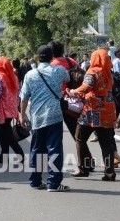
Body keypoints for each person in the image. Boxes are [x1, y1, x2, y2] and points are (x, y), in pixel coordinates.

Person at [19, 45, 70, 192]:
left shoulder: (30, 75)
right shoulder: (58, 70)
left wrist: (22, 116)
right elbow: (68, 77)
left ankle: (35, 181)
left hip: (37, 118)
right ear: (52, 56)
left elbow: (24, 98)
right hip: (54, 116)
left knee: (37, 149)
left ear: (37, 57)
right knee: (54, 150)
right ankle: (53, 183)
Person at [67, 48, 117, 181]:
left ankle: (83, 168)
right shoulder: (108, 73)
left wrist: (72, 91)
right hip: (108, 111)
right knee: (106, 144)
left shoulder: (93, 71)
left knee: (80, 138)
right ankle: (109, 173)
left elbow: (85, 88)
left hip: (92, 111)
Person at [0, 57, 24, 164]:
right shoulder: (14, 77)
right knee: (3, 133)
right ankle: (4, 156)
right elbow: (17, 93)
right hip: (11, 109)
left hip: (3, 110)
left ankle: (20, 154)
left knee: (7, 134)